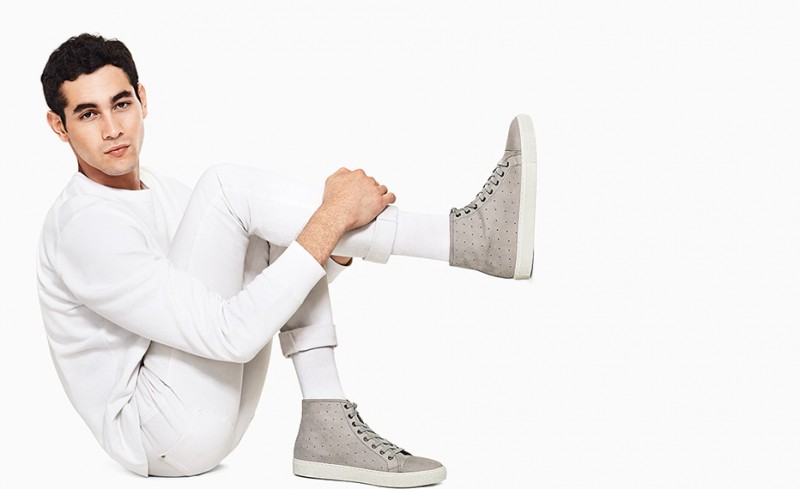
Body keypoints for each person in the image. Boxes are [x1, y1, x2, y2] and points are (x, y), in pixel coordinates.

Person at [36, 33, 537, 487]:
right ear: (59, 126)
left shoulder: (164, 193)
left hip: (210, 412)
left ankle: (326, 416)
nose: (112, 128)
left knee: (265, 226)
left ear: (143, 100)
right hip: (160, 434)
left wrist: (332, 240)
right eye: (88, 114)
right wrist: (332, 216)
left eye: (121, 104)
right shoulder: (83, 227)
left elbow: (269, 296)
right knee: (228, 190)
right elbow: (231, 335)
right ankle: (466, 237)